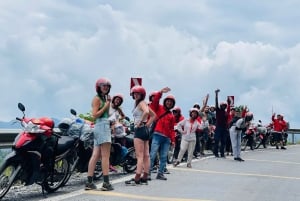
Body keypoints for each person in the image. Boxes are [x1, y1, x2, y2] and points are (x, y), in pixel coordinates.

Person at [85, 78, 114, 191]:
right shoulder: (98, 99)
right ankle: (106, 183)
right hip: (102, 125)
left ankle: (89, 182)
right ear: (98, 87)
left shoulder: (102, 98)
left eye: (107, 86)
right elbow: (95, 115)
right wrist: (107, 105)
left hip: (99, 126)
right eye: (103, 85)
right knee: (105, 156)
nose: (106, 87)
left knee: (96, 155)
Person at [125, 85, 156, 185]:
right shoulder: (141, 103)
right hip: (146, 130)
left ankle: (137, 177)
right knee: (146, 155)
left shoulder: (141, 103)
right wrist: (147, 124)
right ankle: (145, 177)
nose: (136, 95)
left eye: (138, 93)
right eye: (134, 93)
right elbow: (153, 115)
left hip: (140, 130)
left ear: (142, 94)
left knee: (140, 156)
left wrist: (140, 123)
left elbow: (147, 112)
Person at [149, 87, 176, 180]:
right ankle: (147, 173)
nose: (169, 103)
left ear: (173, 104)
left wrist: (173, 140)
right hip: (157, 135)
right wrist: (160, 92)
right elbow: (155, 101)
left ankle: (160, 173)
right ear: (165, 101)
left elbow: (172, 129)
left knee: (164, 157)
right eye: (168, 101)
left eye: (171, 102)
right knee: (152, 154)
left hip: (166, 138)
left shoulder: (171, 116)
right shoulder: (158, 108)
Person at [213, 89, 230, 158]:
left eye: (224, 106)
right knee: (216, 140)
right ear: (220, 106)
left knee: (223, 141)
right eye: (222, 105)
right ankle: (216, 153)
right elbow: (216, 102)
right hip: (218, 127)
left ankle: (222, 153)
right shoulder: (218, 110)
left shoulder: (226, 113)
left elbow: (229, 109)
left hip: (224, 128)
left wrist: (228, 103)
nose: (223, 106)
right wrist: (216, 94)